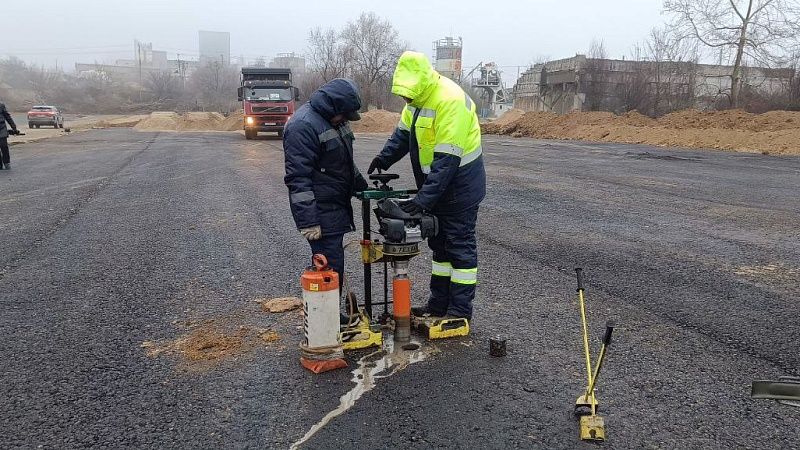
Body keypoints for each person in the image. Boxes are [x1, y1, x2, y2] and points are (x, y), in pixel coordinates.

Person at [367, 51, 486, 321]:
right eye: (404, 96)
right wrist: (384, 158)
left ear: (421, 83)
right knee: (440, 247)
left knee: (459, 246)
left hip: (460, 188)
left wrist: (422, 200)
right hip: (440, 186)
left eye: (408, 96)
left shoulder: (450, 101)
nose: (405, 100)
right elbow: (402, 135)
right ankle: (438, 305)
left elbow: (447, 162)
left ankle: (458, 312)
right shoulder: (416, 101)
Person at [283, 78, 368, 321]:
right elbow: (298, 178)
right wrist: (308, 220)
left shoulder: (334, 121)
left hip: (334, 205)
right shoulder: (302, 126)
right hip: (321, 209)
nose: (345, 120)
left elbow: (342, 163)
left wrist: (361, 187)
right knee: (329, 267)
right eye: (343, 115)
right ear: (333, 108)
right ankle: (327, 322)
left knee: (334, 265)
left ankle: (329, 317)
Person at [0, 101, 18, 170]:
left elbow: (8, 117)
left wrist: (14, 128)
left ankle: (6, 162)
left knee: (3, 146)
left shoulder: (1, 106)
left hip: (2, 128)